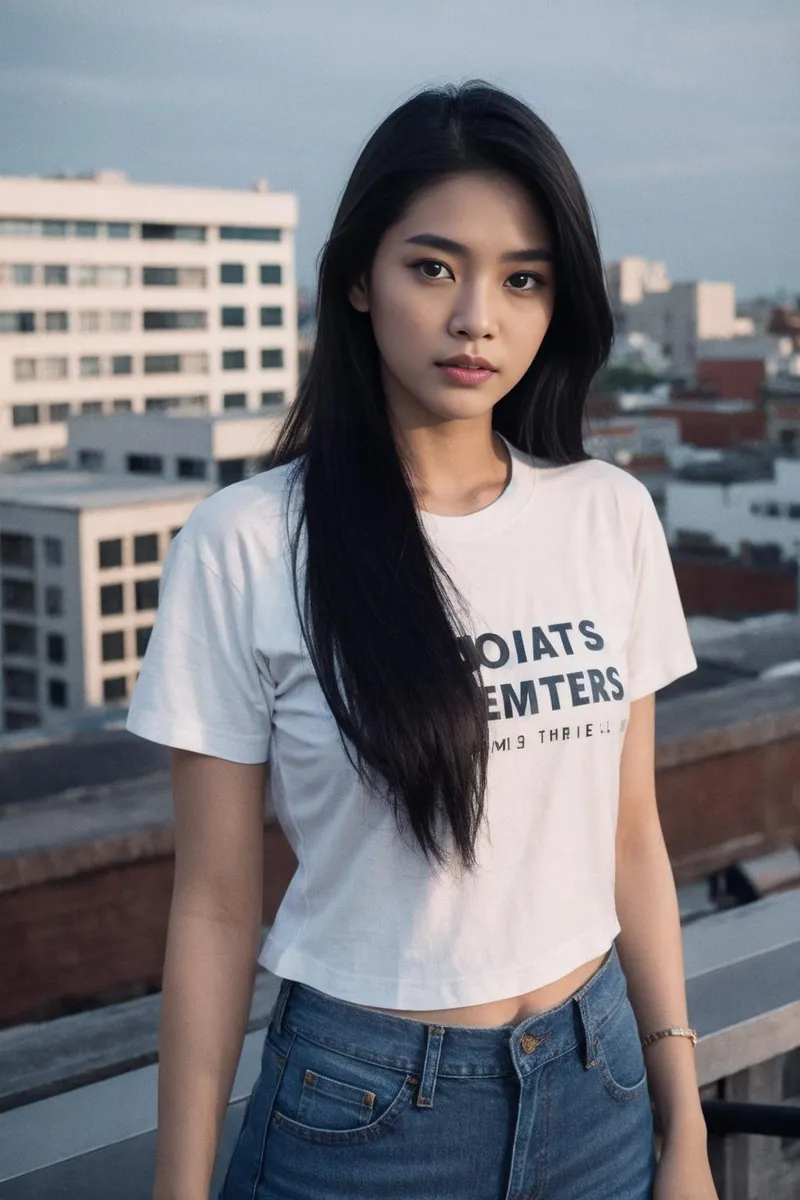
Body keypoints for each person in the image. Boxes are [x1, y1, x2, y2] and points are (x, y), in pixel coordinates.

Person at [126, 80, 719, 1200]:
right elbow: (212, 901)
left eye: (522, 279)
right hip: (362, 1109)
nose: (475, 320)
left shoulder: (606, 513)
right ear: (358, 278)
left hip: (596, 1090)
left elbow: (631, 842)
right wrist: (177, 1187)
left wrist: (681, 1128)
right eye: (433, 267)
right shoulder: (246, 543)